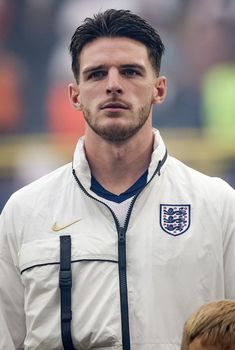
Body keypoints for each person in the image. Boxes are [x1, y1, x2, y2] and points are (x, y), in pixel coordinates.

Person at [0, 8, 234, 350]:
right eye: (96, 74)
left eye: (130, 72)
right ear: (75, 95)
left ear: (159, 89)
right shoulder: (24, 212)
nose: (113, 85)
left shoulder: (218, 205)